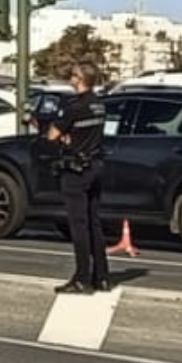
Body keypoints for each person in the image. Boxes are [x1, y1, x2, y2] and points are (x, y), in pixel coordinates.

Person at [49, 62, 110, 294]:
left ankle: (82, 277)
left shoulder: (74, 107)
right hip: (95, 166)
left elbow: (52, 135)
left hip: (76, 170)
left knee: (79, 226)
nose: (70, 78)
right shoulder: (99, 105)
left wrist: (63, 137)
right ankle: (101, 277)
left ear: (81, 79)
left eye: (73, 75)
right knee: (94, 222)